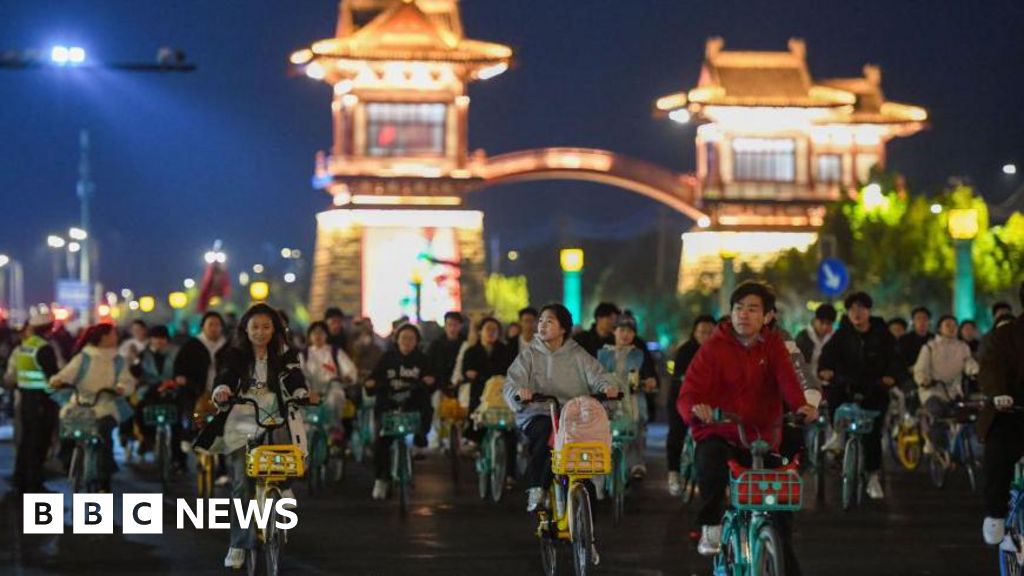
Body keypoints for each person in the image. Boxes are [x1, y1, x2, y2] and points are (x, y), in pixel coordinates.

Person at [678, 282, 816, 567]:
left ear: (767, 316)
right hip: (720, 430)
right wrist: (696, 409)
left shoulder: (775, 346)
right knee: (711, 460)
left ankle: (780, 561)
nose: (744, 315)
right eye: (738, 308)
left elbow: (789, 382)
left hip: (762, 436)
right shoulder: (713, 348)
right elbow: (689, 391)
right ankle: (711, 525)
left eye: (752, 309)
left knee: (779, 509)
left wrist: (801, 405)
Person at [194, 303, 308, 569]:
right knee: (242, 483)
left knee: (290, 450)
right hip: (243, 417)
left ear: (275, 329)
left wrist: (301, 393)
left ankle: (284, 485)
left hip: (276, 414)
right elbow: (226, 375)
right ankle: (238, 544)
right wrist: (222, 389)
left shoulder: (285, 353)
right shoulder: (235, 355)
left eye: (266, 327)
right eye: (255, 327)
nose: (260, 332)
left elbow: (295, 377)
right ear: (245, 329)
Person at [503, 304, 619, 512]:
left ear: (563, 328)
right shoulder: (529, 355)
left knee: (591, 437)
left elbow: (598, 376)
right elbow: (512, 383)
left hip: (572, 414)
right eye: (540, 321)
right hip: (538, 413)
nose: (542, 325)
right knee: (550, 429)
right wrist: (521, 393)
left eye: (549, 321)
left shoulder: (578, 354)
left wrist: (607, 388)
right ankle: (537, 486)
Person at [818, 291, 901, 500]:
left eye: (861, 308)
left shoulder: (882, 334)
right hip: (846, 386)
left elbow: (895, 359)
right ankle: (837, 435)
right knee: (834, 398)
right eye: (852, 309)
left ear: (868, 311)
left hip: (875, 388)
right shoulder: (842, 334)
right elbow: (827, 356)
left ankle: (873, 477)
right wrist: (825, 370)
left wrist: (891, 376)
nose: (856, 313)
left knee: (873, 435)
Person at [49, 323, 135, 492]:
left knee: (104, 438)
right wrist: (58, 381)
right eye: (113, 334)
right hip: (80, 404)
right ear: (103, 337)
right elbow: (66, 374)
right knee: (66, 429)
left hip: (105, 406)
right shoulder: (84, 357)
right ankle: (67, 463)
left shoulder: (118, 360)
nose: (116, 337)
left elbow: (127, 381)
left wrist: (121, 388)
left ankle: (104, 481)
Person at [364, 323, 435, 499]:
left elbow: (433, 379)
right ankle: (381, 479)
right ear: (397, 340)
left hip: (413, 405)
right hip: (388, 405)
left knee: (426, 407)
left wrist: (430, 381)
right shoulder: (387, 358)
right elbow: (373, 378)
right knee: (381, 441)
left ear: (417, 341)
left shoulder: (423, 360)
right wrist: (370, 384)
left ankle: (420, 440)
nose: (407, 341)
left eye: (411, 338)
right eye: (404, 337)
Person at [979, 283, 1024, 545]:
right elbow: (990, 369)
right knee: (998, 456)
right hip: (1010, 409)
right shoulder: (1005, 336)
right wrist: (998, 394)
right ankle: (995, 513)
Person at [2, 309, 62, 496]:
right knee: (39, 443)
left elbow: (13, 376)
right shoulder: (44, 348)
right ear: (50, 328)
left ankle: (21, 480)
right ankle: (34, 485)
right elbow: (52, 378)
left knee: (26, 442)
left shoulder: (22, 347)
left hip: (26, 400)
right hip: (42, 402)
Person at [597, 313, 657, 481]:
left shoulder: (639, 354)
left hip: (633, 400)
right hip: (609, 401)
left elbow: (649, 375)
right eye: (622, 330)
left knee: (636, 428)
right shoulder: (603, 354)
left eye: (630, 331)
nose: (625, 334)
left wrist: (649, 382)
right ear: (614, 331)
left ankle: (636, 463)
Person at [913, 314, 979, 466]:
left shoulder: (962, 347)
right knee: (938, 413)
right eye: (947, 325)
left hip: (954, 392)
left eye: (953, 325)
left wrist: (976, 371)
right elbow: (920, 369)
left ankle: (960, 450)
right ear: (939, 328)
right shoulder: (929, 347)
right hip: (932, 391)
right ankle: (936, 443)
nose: (951, 328)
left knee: (967, 415)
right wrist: (924, 380)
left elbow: (968, 363)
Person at [666, 314, 715, 497]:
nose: (706, 336)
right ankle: (673, 473)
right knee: (676, 432)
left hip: (709, 399)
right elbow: (679, 376)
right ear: (694, 332)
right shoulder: (685, 351)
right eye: (702, 332)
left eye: (710, 332)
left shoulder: (719, 351)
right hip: (682, 397)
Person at [461, 317, 514, 460]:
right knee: (477, 417)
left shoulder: (505, 351)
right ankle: (474, 443)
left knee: (509, 430)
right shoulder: (471, 351)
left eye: (494, 330)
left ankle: (509, 474)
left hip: (500, 394)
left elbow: (512, 371)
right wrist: (470, 374)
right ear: (480, 332)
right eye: (488, 329)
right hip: (479, 393)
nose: (491, 332)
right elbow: (465, 371)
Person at [132, 326, 183, 466]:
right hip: (150, 389)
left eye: (162, 338)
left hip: (171, 389)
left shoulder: (176, 353)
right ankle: (147, 439)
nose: (159, 342)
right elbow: (136, 372)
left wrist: (178, 380)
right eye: (156, 338)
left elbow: (181, 369)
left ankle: (177, 457)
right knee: (141, 410)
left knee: (177, 418)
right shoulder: (143, 354)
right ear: (151, 339)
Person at [300, 321, 357, 433]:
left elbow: (349, 368)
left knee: (336, 397)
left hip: (331, 388)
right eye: (314, 333)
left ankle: (335, 430)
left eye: (321, 333)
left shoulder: (335, 351)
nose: (318, 336)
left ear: (326, 335)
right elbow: (299, 372)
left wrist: (348, 377)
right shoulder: (304, 354)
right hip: (311, 390)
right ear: (310, 336)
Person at [795, 303, 837, 377]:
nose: (825, 327)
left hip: (826, 384)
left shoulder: (833, 339)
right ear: (815, 320)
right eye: (822, 322)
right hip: (805, 382)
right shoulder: (803, 337)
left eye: (828, 323)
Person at [898, 307, 933, 379]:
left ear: (929, 321)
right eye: (918, 318)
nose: (922, 321)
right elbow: (901, 360)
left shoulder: (934, 339)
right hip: (909, 374)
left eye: (925, 318)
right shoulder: (904, 339)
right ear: (913, 321)